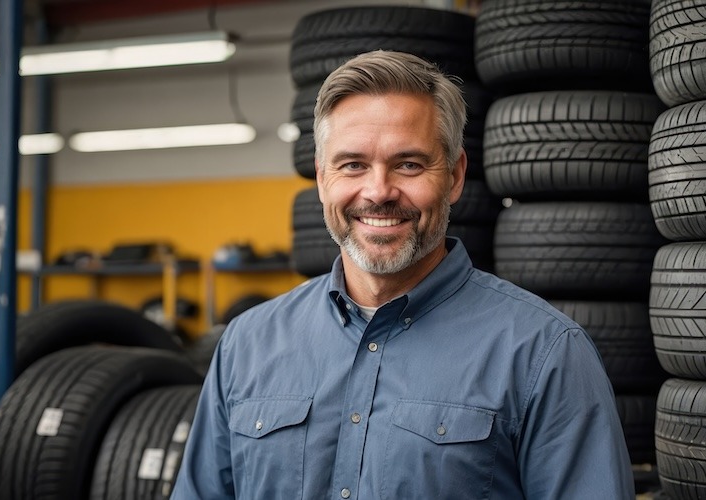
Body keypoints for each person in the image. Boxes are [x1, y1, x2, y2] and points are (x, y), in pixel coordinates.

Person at [171, 50, 633, 499]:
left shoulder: (544, 353)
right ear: (321, 178)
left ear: (453, 177)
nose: (378, 192)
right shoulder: (246, 345)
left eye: (408, 164)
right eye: (353, 164)